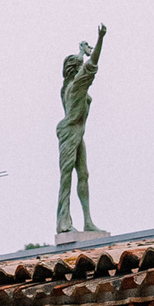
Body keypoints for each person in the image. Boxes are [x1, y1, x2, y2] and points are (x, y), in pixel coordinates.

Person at [54, 24, 106, 234]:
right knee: (66, 175)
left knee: (83, 174)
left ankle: (87, 221)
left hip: (77, 132)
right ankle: (63, 221)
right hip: (69, 131)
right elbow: (93, 64)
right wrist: (100, 38)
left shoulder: (67, 87)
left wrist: (81, 51)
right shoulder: (76, 87)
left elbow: (83, 63)